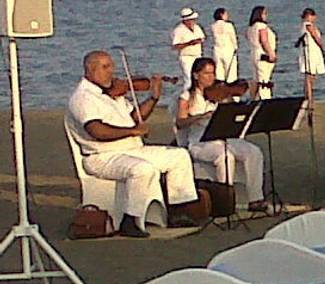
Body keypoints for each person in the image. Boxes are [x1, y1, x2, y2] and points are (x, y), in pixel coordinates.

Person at [68, 51, 200, 238]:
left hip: (131, 149)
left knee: (179, 155)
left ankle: (178, 210)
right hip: (102, 156)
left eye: (112, 66)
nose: (111, 71)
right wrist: (132, 132)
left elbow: (135, 118)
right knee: (141, 169)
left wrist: (153, 98)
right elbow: (97, 131)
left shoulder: (113, 94)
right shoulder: (83, 97)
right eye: (105, 67)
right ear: (90, 69)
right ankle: (130, 219)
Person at [175, 58, 267, 212]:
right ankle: (226, 201)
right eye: (206, 73)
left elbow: (234, 112)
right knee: (224, 156)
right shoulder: (187, 97)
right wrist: (200, 116)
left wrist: (249, 94)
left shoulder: (220, 92)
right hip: (200, 142)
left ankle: (255, 199)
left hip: (223, 138)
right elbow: (180, 122)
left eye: (213, 73)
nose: (211, 77)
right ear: (196, 75)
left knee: (254, 151)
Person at [246, 6, 277, 99]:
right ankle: (265, 99)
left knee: (257, 78)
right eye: (264, 13)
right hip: (263, 54)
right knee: (264, 80)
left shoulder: (251, 27)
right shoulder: (261, 26)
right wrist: (271, 53)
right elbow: (264, 40)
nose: (266, 16)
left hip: (254, 53)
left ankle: (254, 98)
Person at [298, 8, 325, 106]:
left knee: (312, 76)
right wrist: (322, 46)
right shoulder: (308, 25)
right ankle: (309, 97)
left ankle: (309, 96)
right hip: (310, 52)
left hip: (314, 52)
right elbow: (315, 36)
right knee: (309, 76)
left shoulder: (310, 25)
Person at [172, 8, 206, 90]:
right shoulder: (178, 30)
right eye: (191, 20)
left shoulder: (197, 27)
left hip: (198, 56)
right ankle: (187, 97)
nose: (193, 21)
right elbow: (176, 46)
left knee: (199, 78)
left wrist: (199, 41)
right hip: (186, 57)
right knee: (189, 79)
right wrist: (189, 43)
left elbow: (203, 38)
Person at [210, 8, 238, 82]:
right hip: (228, 49)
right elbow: (233, 38)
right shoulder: (228, 25)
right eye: (226, 14)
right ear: (221, 15)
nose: (227, 16)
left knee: (219, 71)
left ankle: (220, 86)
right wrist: (236, 47)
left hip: (217, 49)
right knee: (231, 72)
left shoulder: (213, 26)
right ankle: (230, 87)